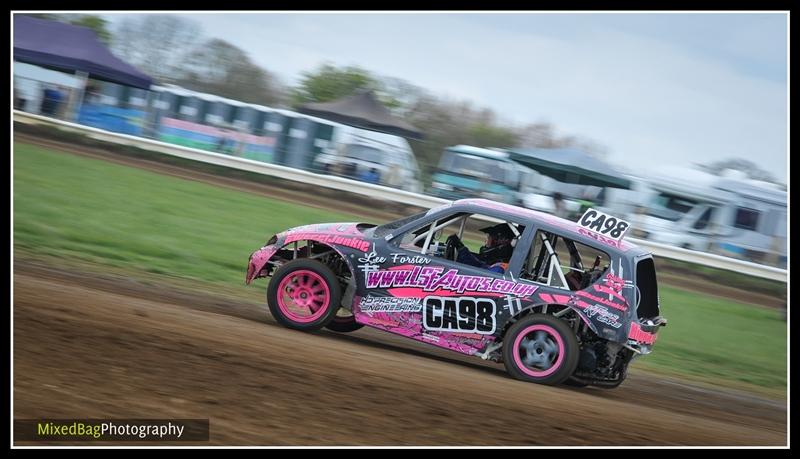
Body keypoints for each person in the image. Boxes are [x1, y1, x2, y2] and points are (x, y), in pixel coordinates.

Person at [445, 223, 519, 274]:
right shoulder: (496, 263)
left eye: (489, 239)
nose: (486, 242)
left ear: (499, 242)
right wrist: (460, 247)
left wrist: (460, 247)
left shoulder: (499, 269)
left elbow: (478, 266)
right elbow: (479, 264)